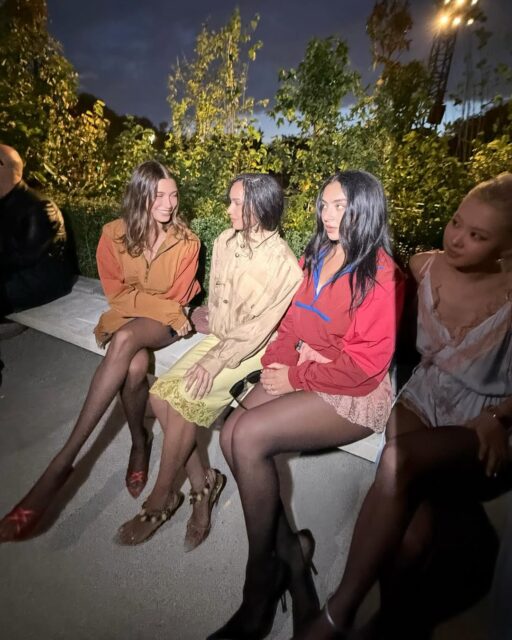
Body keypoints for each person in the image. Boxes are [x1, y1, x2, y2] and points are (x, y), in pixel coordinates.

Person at [292, 172, 512, 640]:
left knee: (397, 462)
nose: (457, 238)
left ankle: (337, 613)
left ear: (506, 248)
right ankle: (388, 625)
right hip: (423, 395)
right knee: (412, 532)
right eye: (456, 222)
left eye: (478, 235)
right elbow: (377, 331)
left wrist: (500, 417)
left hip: (483, 416)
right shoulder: (422, 266)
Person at [207, 170, 404, 639]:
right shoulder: (316, 253)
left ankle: (258, 588)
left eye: (341, 207)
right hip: (304, 365)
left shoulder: (382, 275)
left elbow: (364, 367)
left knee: (248, 437)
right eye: (324, 205)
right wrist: (279, 362)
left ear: (366, 210)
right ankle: (292, 557)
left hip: (353, 389)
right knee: (230, 434)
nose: (328, 216)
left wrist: (295, 377)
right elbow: (291, 323)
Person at [0, 160, 201, 541]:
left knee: (124, 341)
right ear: (140, 195)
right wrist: (147, 305)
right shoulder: (113, 234)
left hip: (164, 326)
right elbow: (117, 295)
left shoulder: (188, 242)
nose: (169, 204)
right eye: (159, 196)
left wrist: (157, 308)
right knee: (134, 367)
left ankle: (61, 464)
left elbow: (174, 304)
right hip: (133, 317)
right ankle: (140, 442)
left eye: (174, 195)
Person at [116, 172, 303, 550]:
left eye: (236, 203)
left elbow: (258, 330)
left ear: (259, 207)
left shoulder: (285, 266)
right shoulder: (224, 241)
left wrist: (215, 362)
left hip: (252, 351)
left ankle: (161, 499)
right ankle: (205, 485)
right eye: (230, 201)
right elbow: (218, 305)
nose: (228, 209)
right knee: (160, 398)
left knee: (185, 400)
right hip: (222, 340)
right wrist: (207, 322)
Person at [0, 144, 76, 334]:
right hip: (16, 274)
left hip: (41, 279)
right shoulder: (6, 203)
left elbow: (25, 257)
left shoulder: (39, 206)